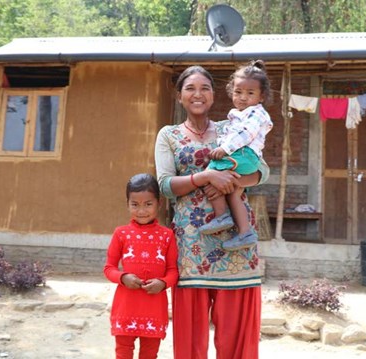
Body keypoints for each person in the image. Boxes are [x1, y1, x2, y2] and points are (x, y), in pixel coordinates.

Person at [155, 65, 269, 359]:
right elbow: (165, 185)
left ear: (214, 95)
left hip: (236, 243)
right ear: (179, 95)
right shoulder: (169, 135)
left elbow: (262, 171)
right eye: (190, 88)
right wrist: (205, 178)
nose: (198, 94)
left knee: (235, 331)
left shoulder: (232, 128)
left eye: (205, 88)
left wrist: (231, 181)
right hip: (192, 246)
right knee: (191, 336)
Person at [198, 60, 273, 251]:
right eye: (238, 92)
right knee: (234, 194)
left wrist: (224, 150)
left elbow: (245, 134)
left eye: (250, 93)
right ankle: (245, 232)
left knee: (212, 170)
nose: (242, 98)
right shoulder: (237, 115)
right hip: (242, 156)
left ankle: (222, 215)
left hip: (244, 155)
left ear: (261, 96)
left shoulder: (256, 114)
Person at [103, 173, 178, 359]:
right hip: (125, 308)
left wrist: (163, 283)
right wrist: (123, 277)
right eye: (135, 204)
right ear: (127, 203)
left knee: (149, 354)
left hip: (154, 310)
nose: (141, 210)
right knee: (123, 353)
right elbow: (109, 268)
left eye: (148, 204)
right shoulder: (121, 234)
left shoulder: (167, 236)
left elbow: (173, 271)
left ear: (159, 203)